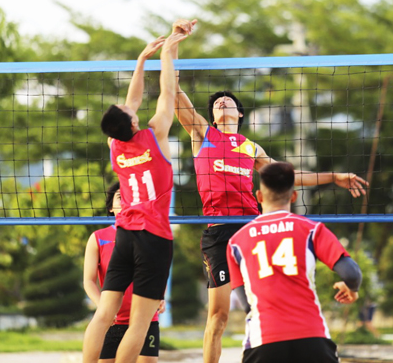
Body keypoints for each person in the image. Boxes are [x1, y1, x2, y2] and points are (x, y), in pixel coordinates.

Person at [174, 66, 369, 363]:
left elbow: (288, 176)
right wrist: (170, 75)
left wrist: (334, 176)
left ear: (240, 115)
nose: (222, 102)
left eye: (229, 101)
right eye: (217, 102)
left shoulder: (251, 148)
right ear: (212, 116)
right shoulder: (204, 134)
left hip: (251, 231)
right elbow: (180, 105)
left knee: (267, 304)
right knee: (219, 315)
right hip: (219, 231)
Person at [82, 19, 194, 363]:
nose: (133, 107)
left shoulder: (115, 146)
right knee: (140, 324)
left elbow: (133, 99)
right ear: (131, 124)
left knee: (103, 315)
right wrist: (171, 48)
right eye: (130, 113)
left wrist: (142, 58)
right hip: (154, 236)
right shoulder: (155, 134)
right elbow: (167, 93)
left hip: (126, 234)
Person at [227, 161, 362, 363]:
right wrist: (351, 287)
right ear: (294, 196)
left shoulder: (236, 242)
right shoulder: (311, 229)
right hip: (312, 337)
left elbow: (247, 304)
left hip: (264, 341)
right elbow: (352, 274)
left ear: (259, 197)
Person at [83, 182, 165, 363]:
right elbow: (88, 280)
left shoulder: (148, 235)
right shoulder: (98, 237)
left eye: (130, 196)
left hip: (146, 319)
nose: (126, 200)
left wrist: (161, 296)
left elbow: (156, 270)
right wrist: (102, 307)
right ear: (111, 207)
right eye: (120, 197)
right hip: (112, 321)